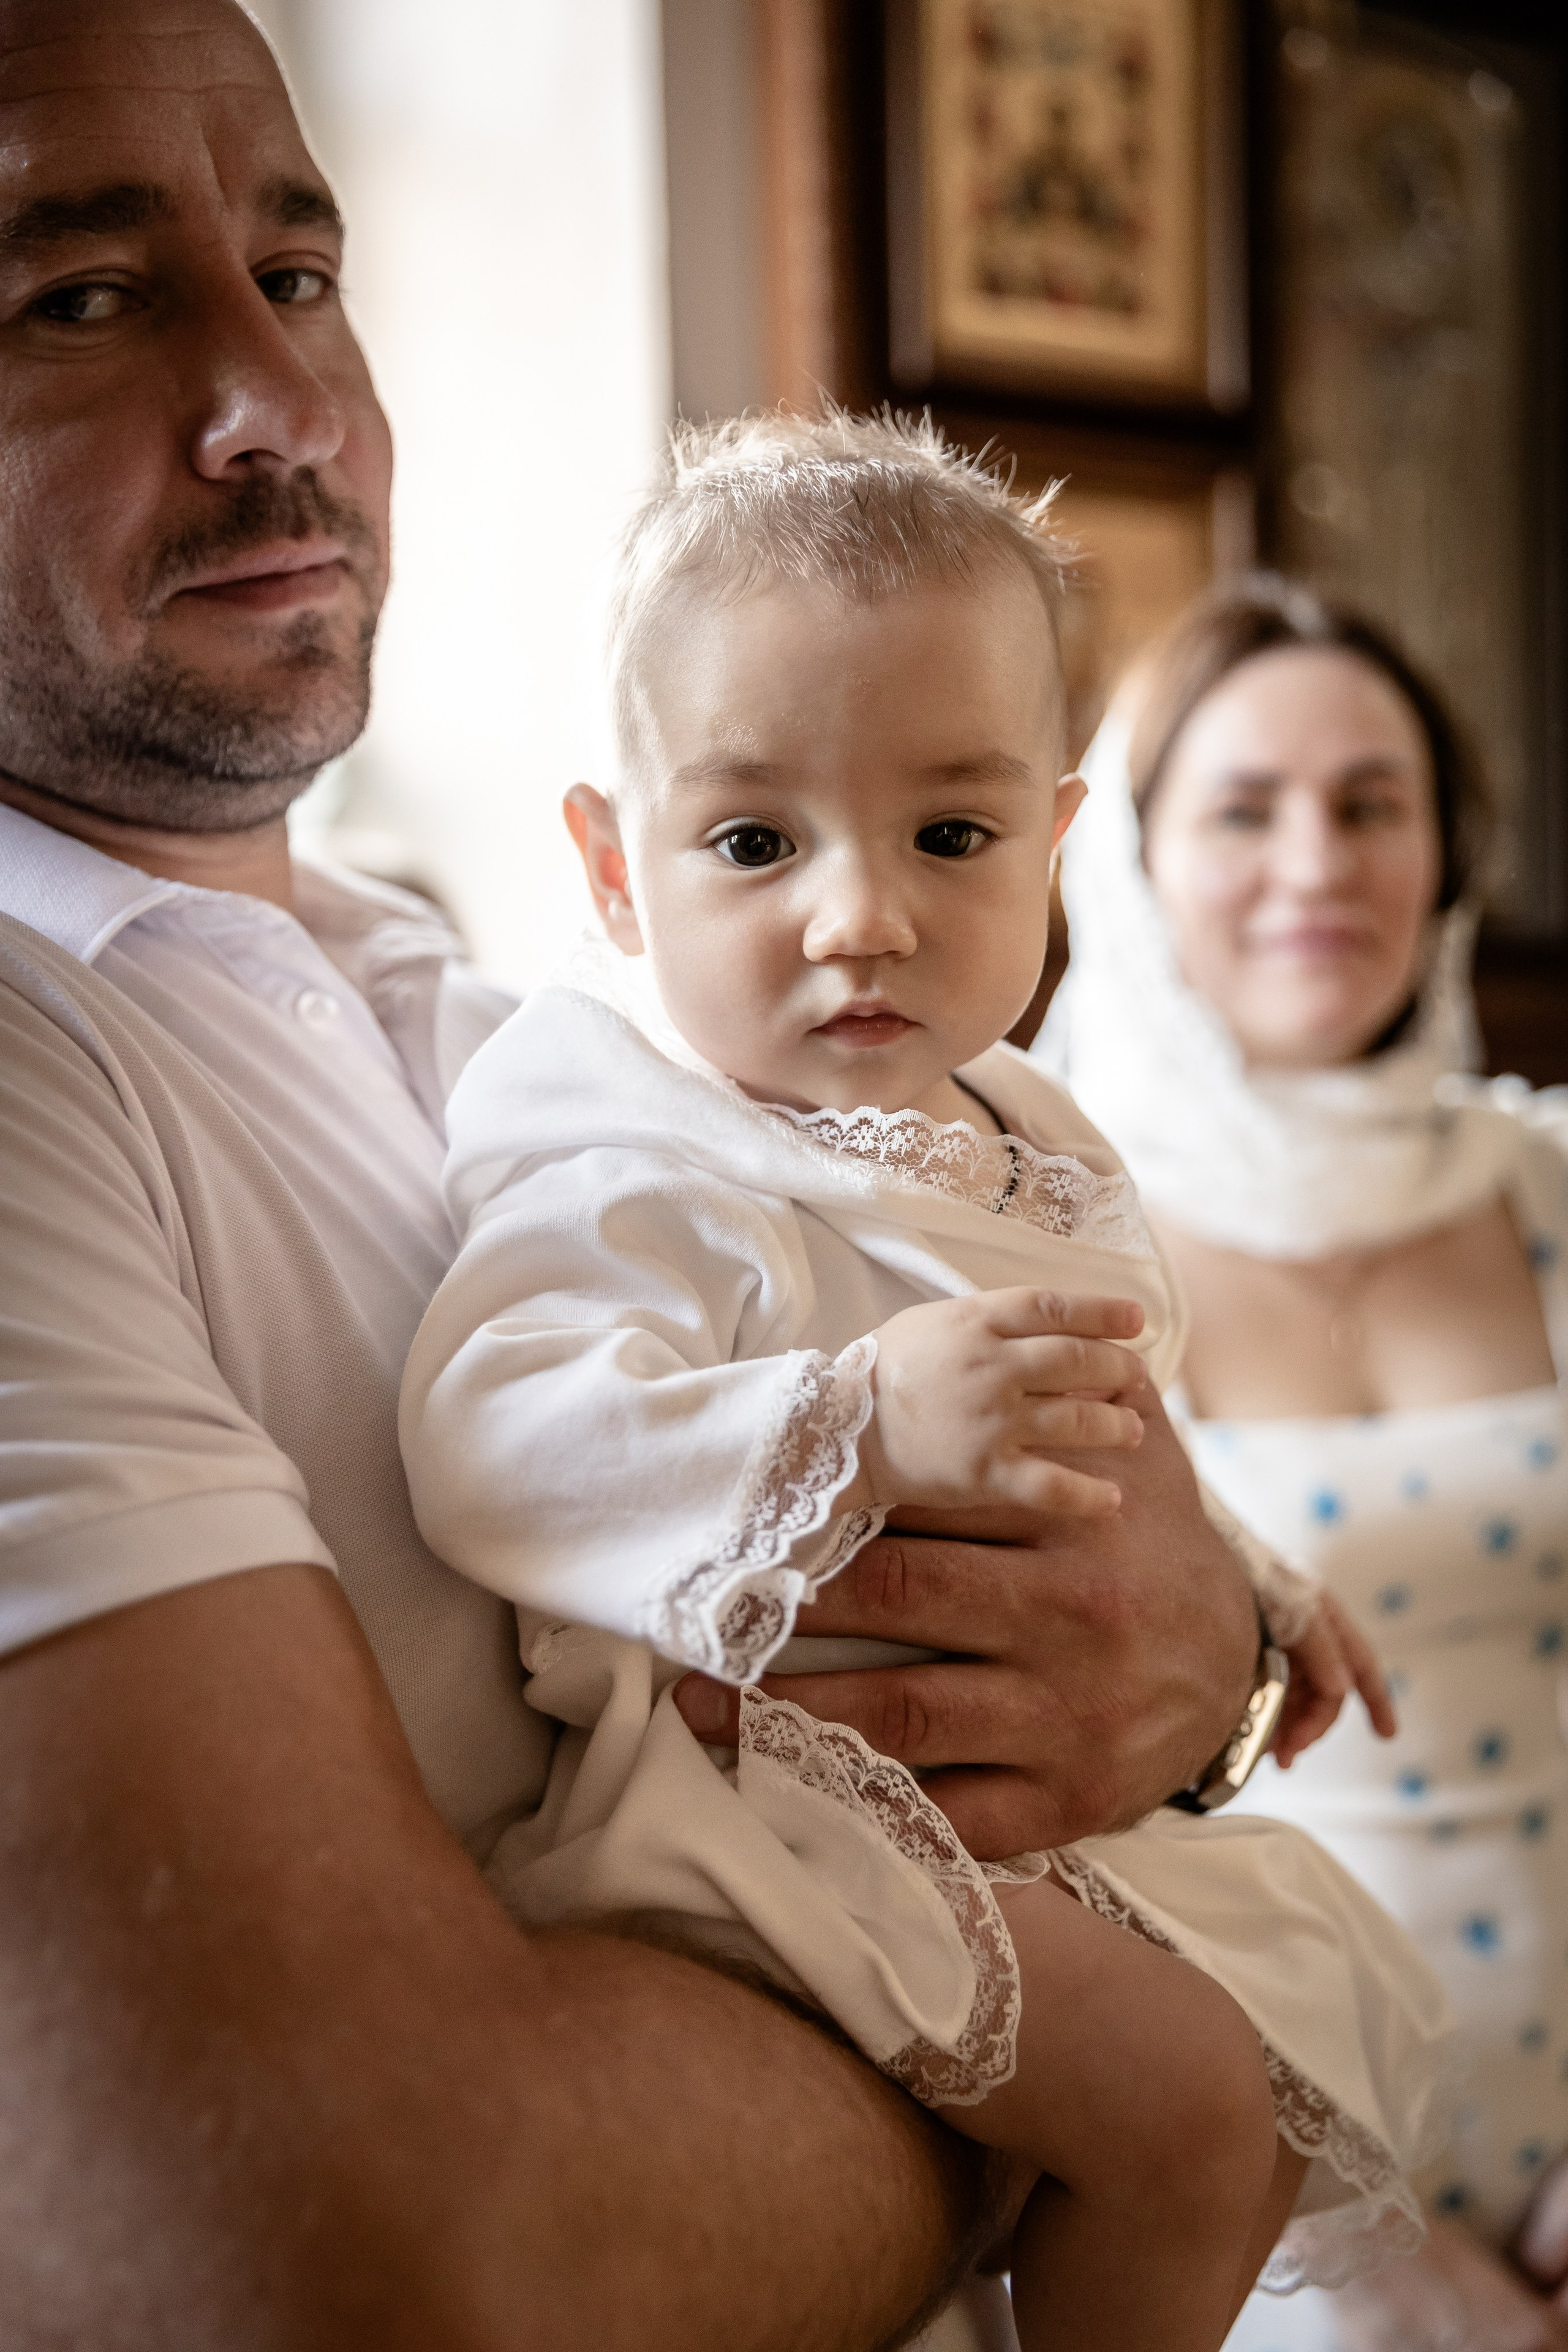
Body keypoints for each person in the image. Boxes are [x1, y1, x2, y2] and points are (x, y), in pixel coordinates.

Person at [0, 7, 1303, 2345]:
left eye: (298, 273)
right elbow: (378, 2255)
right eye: (74, 295)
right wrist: (1059, 2110)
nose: (275, 400)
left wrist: (1204, 1659)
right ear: (639, 849)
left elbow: (1045, 1549)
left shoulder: (500, 1018)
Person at [399, 415, 1454, 2352]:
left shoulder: (1021, 1131)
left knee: (1216, 2094)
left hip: (974, 1809)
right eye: (751, 842)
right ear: (614, 871)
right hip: (751, 1807)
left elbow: (1090, 1438)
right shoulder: (646, 1157)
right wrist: (853, 1419)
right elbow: (494, 1440)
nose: (858, 913)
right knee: (1197, 2116)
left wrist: (1258, 1590)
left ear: (1054, 847)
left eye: (950, 837)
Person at [1040, 574, 1568, 2350]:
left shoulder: (1554, 1191)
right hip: (1243, 2174)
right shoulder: (1043, 1250)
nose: (1316, 865)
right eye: (1244, 811)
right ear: (1126, 863)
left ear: (1447, 852)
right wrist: (1334, 2227)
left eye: (1371, 804)